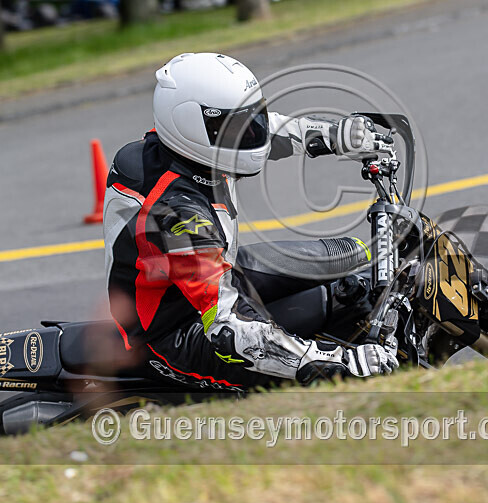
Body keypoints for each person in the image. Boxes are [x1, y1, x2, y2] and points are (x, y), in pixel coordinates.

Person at [103, 52, 398, 391]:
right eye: (233, 126)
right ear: (189, 125)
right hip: (178, 331)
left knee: (354, 258)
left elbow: (265, 129)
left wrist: (336, 135)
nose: (251, 133)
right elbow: (232, 328)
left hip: (216, 269)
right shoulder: (174, 215)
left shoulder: (186, 147)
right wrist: (338, 363)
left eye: (249, 119)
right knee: (307, 380)